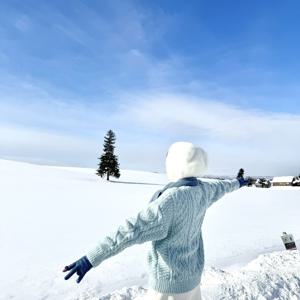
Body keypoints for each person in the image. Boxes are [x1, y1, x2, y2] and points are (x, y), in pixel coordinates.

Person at [63, 142, 249, 300]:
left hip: (168, 287)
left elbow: (130, 231)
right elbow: (222, 186)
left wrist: (91, 258)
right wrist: (238, 183)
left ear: (176, 165)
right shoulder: (202, 189)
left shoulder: (170, 201)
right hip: (192, 280)